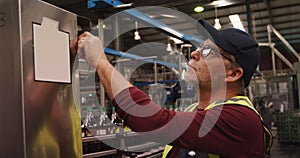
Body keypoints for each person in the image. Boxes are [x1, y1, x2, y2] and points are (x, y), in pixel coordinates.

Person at [77, 19, 273, 157]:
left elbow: (148, 119)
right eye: (200, 47)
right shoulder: (195, 112)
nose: (195, 53)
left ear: (232, 74)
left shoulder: (240, 119)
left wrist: (100, 61)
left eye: (208, 52)